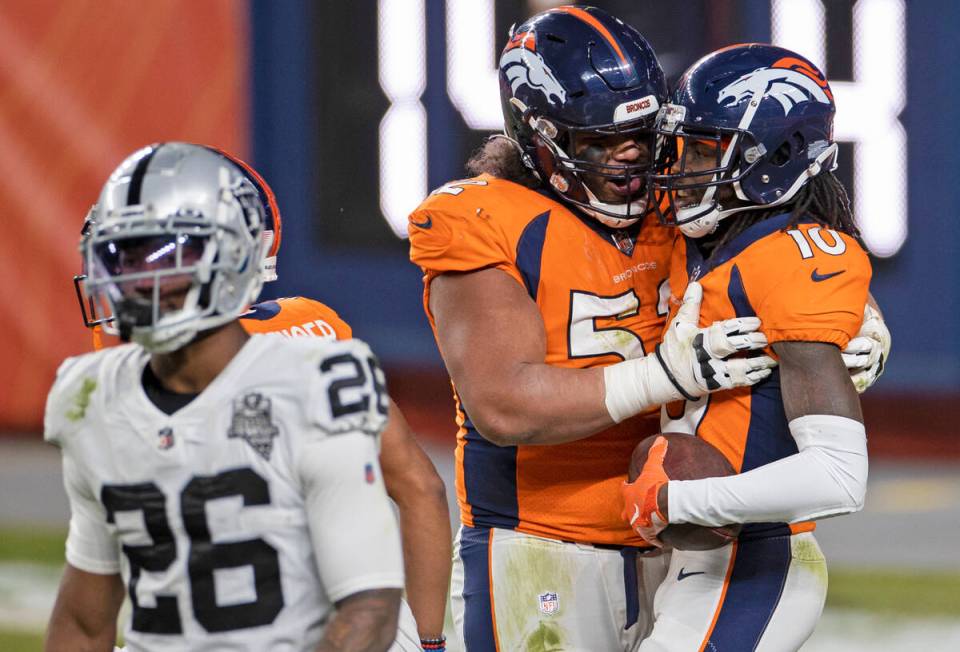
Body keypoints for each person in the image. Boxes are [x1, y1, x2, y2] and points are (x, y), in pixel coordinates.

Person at [407, 7, 778, 650]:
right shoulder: (481, 219)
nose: (629, 157)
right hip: (545, 541)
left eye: (641, 134)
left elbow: (796, 255)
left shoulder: (685, 196)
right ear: (541, 137)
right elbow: (504, 405)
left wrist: (854, 326)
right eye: (598, 141)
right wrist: (663, 376)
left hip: (694, 532)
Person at [74, 147, 452, 651]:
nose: (129, 273)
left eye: (155, 254)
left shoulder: (150, 370)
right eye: (122, 254)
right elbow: (421, 489)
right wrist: (428, 643)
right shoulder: (315, 328)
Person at [622, 44, 875, 650]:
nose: (683, 171)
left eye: (707, 151)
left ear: (779, 157)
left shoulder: (793, 255)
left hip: (752, 562)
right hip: (694, 561)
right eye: (682, 150)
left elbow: (841, 476)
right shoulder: (720, 239)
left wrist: (679, 498)